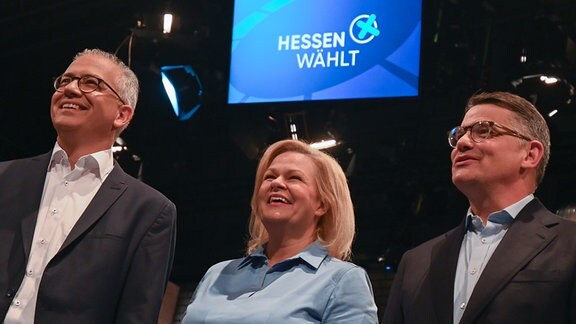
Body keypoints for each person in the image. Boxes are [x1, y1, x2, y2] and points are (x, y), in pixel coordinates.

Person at [0, 48, 177, 323]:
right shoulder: (5, 177)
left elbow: (137, 314)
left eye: (90, 83)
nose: (70, 89)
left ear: (122, 115)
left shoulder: (150, 211)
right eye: (65, 81)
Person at [382, 91, 576, 323]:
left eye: (484, 131)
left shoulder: (570, 244)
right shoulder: (416, 262)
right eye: (459, 135)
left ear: (530, 154)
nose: (462, 143)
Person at [182, 139, 378, 323]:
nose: (276, 183)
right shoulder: (215, 274)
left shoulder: (343, 280)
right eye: (270, 177)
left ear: (322, 205)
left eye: (294, 178)